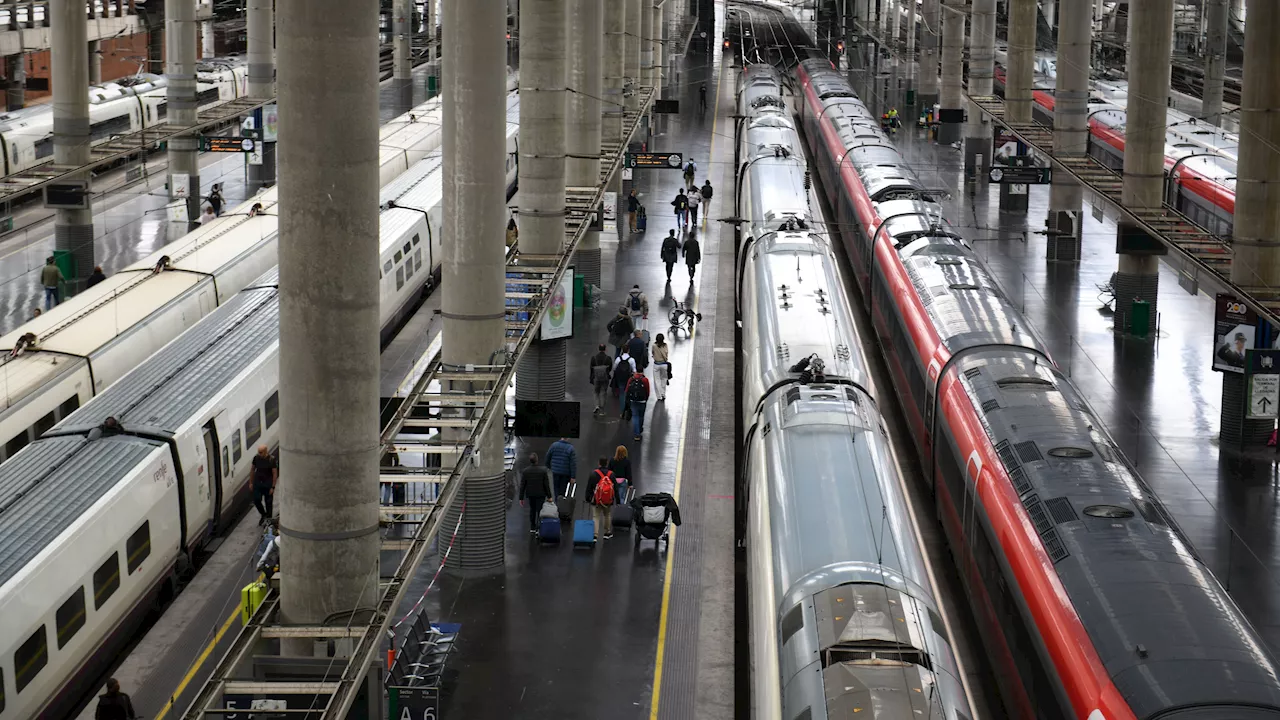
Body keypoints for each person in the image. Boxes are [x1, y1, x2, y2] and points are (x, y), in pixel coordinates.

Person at [519, 452, 554, 534]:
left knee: (532, 510)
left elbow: (522, 485)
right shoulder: (543, 471)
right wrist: (549, 496)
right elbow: (546, 484)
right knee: (540, 510)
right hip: (540, 494)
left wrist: (521, 498)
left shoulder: (525, 471)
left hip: (531, 494)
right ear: (537, 460)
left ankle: (532, 526)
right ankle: (539, 526)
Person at [251, 444, 278, 525]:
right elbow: (252, 470)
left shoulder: (271, 460)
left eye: (261, 452)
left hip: (268, 484)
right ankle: (263, 514)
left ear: (266, 451)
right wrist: (251, 482)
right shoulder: (256, 458)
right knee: (256, 500)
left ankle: (268, 519)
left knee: (268, 503)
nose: (259, 454)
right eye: (259, 452)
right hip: (258, 483)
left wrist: (273, 487)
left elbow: (274, 473)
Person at [590, 458, 616, 540]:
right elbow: (616, 488)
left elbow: (589, 487)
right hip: (608, 500)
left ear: (599, 463)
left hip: (596, 499)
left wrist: (588, 498)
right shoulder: (611, 474)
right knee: (607, 515)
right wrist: (616, 499)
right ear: (607, 463)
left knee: (596, 516)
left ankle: (595, 535)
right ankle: (607, 533)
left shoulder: (594, 473)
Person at [625, 370, 652, 440]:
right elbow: (648, 391)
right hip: (642, 401)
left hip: (633, 400)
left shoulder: (631, 379)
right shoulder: (645, 380)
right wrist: (646, 399)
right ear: (642, 372)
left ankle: (637, 434)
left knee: (635, 416)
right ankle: (640, 428)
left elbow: (627, 390)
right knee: (641, 416)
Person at [589, 343, 614, 414]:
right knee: (603, 392)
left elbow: (591, 369)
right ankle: (602, 409)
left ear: (598, 349)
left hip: (596, 377)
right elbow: (610, 368)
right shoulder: (608, 358)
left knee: (596, 392)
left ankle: (597, 406)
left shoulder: (594, 358)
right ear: (605, 349)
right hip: (605, 377)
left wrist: (591, 378)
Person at [652, 333, 671, 400]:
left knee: (657, 380)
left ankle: (659, 396)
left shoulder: (654, 346)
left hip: (656, 365)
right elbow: (666, 353)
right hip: (664, 364)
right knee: (664, 379)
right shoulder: (665, 345)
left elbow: (653, 353)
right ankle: (663, 393)